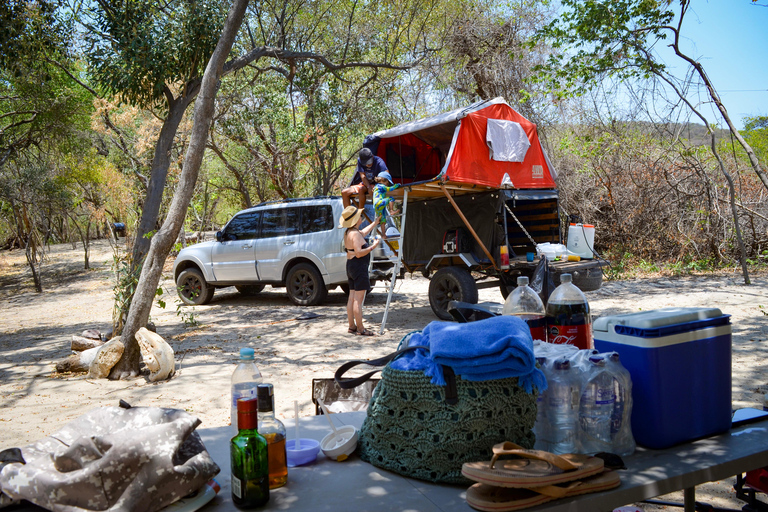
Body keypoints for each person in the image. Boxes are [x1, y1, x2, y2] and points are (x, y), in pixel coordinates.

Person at [338, 205, 380, 336]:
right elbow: (359, 252)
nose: (361, 218)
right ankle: (361, 328)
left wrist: (374, 223)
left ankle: (352, 326)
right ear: (356, 220)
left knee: (351, 298)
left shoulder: (349, 232)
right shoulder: (355, 234)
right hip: (359, 267)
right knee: (358, 299)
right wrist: (373, 247)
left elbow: (364, 232)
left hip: (351, 266)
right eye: (359, 216)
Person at [372, 171, 400, 240]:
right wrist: (396, 185)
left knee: (383, 220)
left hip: (376, 205)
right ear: (384, 180)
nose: (387, 184)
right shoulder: (381, 186)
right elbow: (389, 189)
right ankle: (391, 210)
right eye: (387, 183)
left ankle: (383, 234)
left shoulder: (376, 187)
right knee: (391, 198)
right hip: (379, 202)